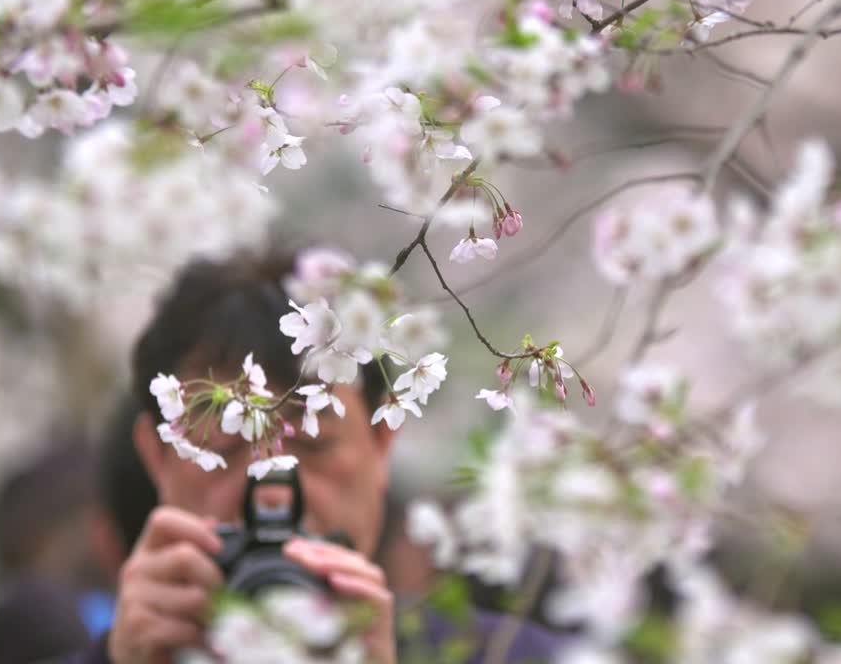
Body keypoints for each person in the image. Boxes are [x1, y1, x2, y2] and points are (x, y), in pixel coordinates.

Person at [75, 252, 562, 664]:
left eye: (314, 443)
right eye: (225, 444)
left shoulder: (508, 654)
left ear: (381, 443)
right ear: (157, 455)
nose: (271, 490)